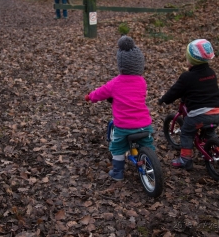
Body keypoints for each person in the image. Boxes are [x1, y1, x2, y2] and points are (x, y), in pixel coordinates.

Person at [84, 36, 155, 181]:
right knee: (147, 143)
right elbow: (143, 94)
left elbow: (100, 93)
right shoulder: (142, 82)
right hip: (144, 125)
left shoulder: (115, 83)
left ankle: (117, 172)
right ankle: (151, 162)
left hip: (124, 127)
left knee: (117, 147)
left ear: (121, 65)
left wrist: (90, 97)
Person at [158, 39, 219, 171]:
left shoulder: (187, 77)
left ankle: (185, 160)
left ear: (192, 59)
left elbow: (174, 91)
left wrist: (164, 99)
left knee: (186, 132)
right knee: (210, 132)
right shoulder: (211, 74)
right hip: (216, 112)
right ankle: (216, 148)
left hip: (198, 116)